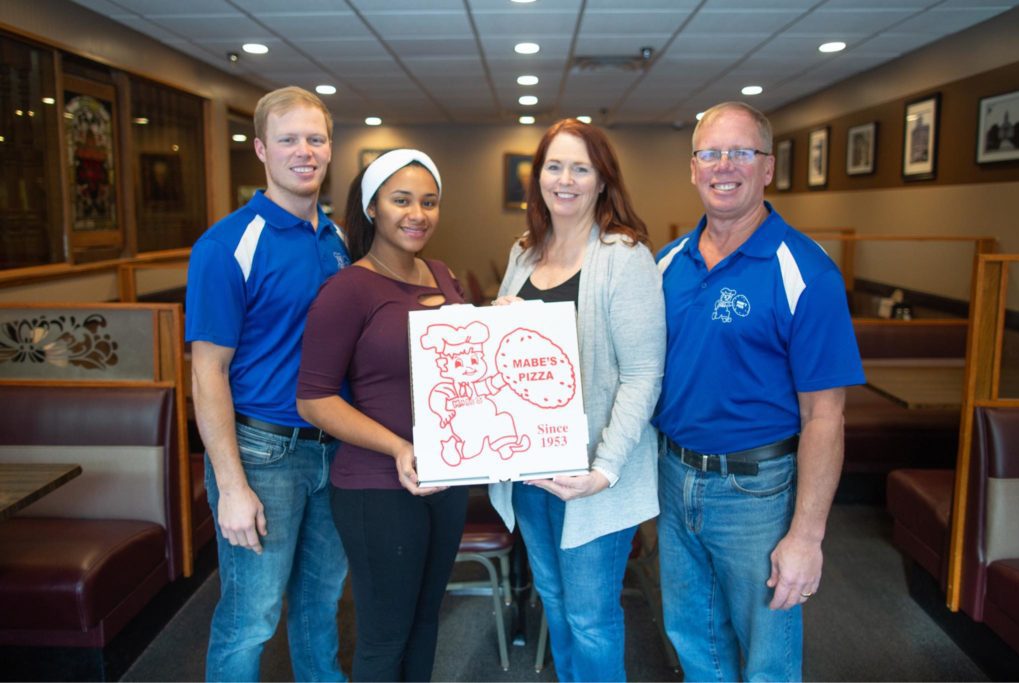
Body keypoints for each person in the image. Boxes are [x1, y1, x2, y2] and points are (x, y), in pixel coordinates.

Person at [653, 101, 865, 682]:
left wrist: (806, 536)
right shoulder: (667, 264)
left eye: (741, 152)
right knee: (694, 639)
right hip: (673, 479)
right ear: (693, 168)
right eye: (710, 153)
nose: (725, 166)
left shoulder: (806, 271)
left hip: (757, 493)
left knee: (768, 656)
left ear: (767, 167)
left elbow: (826, 416)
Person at [488, 119, 666, 682]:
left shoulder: (625, 256)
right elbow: (503, 354)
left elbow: (643, 377)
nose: (565, 179)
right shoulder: (524, 252)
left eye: (580, 168)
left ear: (602, 181)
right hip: (530, 473)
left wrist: (605, 470)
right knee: (557, 605)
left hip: (592, 478)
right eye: (554, 166)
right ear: (537, 176)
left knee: (590, 617)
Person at [185, 86, 350, 682]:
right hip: (262, 455)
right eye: (288, 139)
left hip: (334, 451)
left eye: (315, 138)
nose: (303, 151)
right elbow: (207, 372)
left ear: (330, 148)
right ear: (261, 149)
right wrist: (230, 485)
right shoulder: (227, 244)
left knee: (320, 604)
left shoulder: (338, 242)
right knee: (252, 615)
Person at [296, 150, 468, 682]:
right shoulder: (348, 289)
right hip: (378, 487)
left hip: (447, 480)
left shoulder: (441, 273)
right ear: (372, 208)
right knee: (384, 637)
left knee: (423, 625)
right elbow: (314, 399)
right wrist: (398, 447)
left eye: (429, 201)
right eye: (401, 200)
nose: (417, 213)